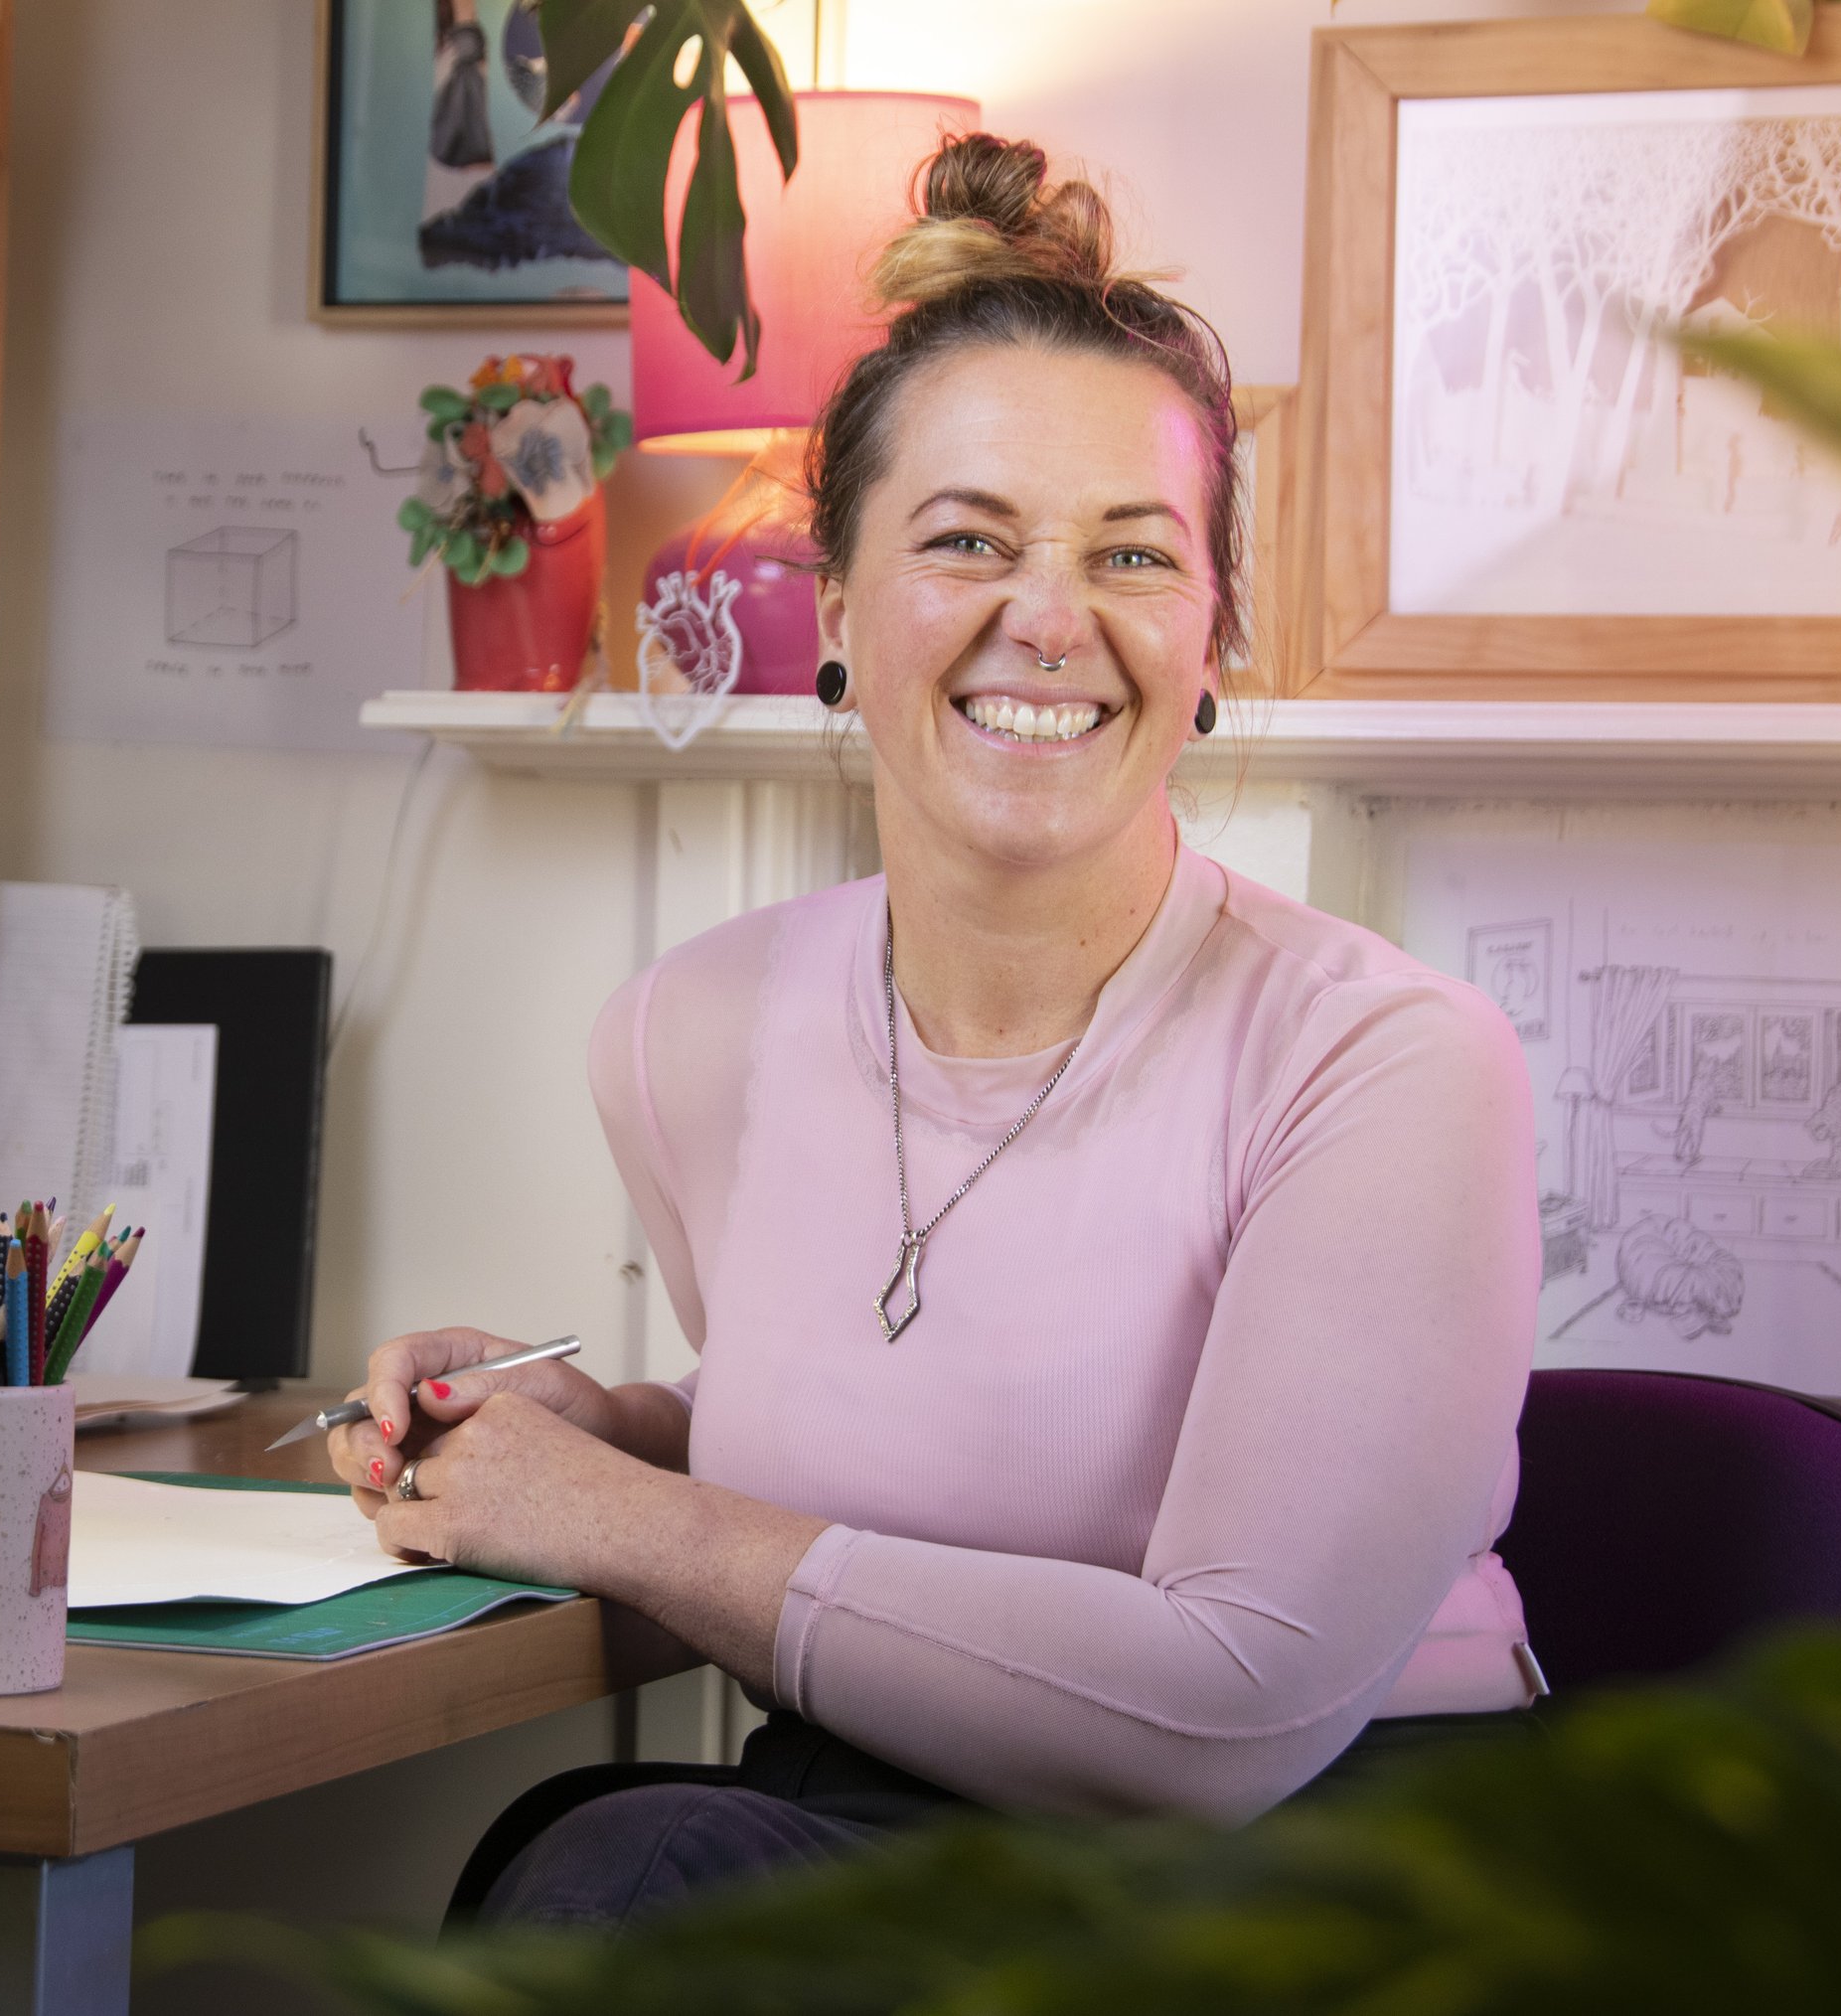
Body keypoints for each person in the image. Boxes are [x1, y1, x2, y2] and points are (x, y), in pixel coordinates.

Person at [329, 132, 1542, 1929]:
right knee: (615, 1871)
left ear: (1212, 639)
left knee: (629, 1889)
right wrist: (607, 1429)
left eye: (1132, 554)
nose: (1046, 619)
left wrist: (616, 1515)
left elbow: (1229, 1708)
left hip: (1319, 1870)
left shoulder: (1389, 1064)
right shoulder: (686, 1037)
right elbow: (910, 1433)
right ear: (836, 608)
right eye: (967, 539)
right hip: (883, 1807)